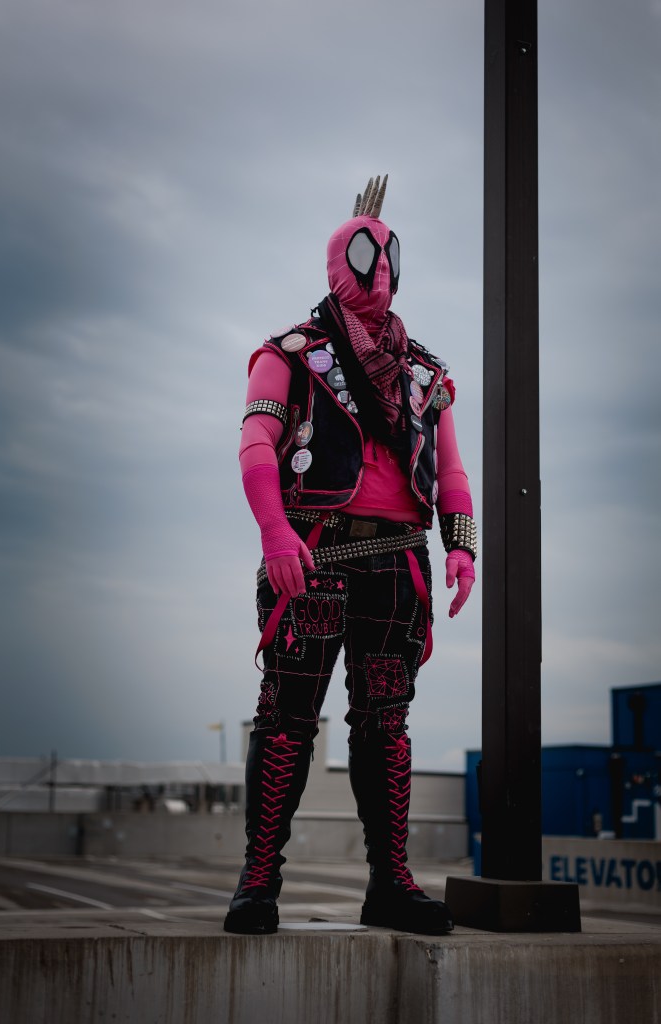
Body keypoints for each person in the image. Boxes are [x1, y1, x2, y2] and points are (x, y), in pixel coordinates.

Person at [224, 176, 476, 936]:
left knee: (385, 722)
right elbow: (255, 442)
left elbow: (453, 468)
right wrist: (274, 533)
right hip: (313, 556)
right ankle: (258, 878)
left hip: (399, 562)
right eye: (365, 255)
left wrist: (461, 546)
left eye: (387, 256)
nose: (379, 271)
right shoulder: (288, 356)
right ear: (339, 263)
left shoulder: (425, 375)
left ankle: (389, 883)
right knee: (287, 715)